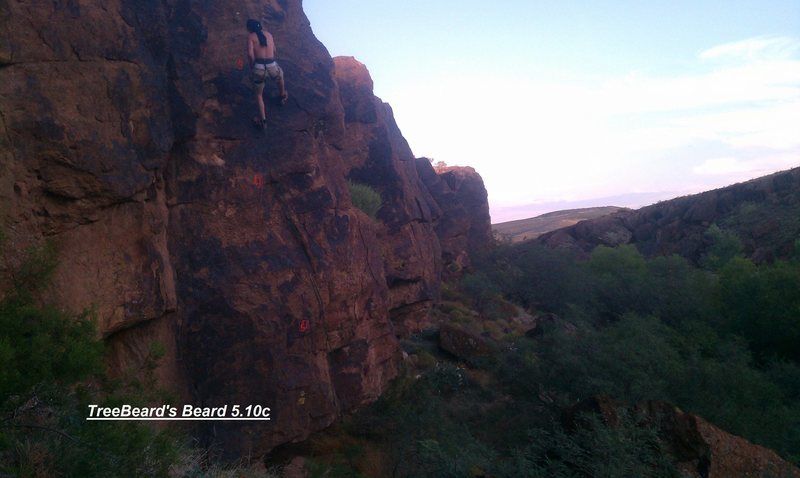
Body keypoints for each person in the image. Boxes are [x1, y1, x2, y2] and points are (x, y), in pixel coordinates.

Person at [246, 19, 288, 129]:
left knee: (259, 95)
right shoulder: (269, 34)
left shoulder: (251, 37)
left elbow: (250, 55)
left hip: (259, 68)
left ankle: (263, 121)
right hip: (272, 65)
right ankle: (282, 95)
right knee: (280, 76)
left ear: (249, 28)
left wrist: (252, 66)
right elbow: (274, 50)